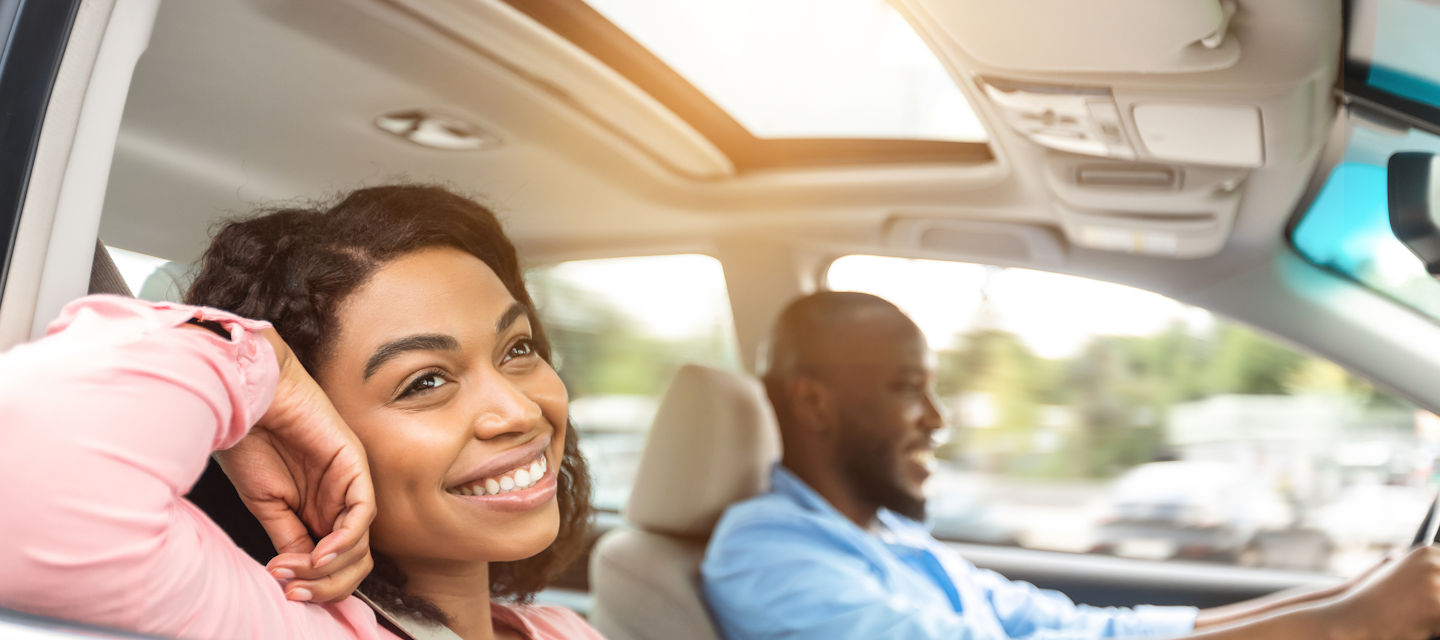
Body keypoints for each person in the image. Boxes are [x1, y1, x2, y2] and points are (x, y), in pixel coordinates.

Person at [0, 185, 604, 640]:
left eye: (517, 349)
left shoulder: (562, 631)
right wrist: (254, 360)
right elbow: (25, 495)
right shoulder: (288, 627)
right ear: (310, 437)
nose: (519, 410)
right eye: (424, 381)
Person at [701, 290, 1440, 640]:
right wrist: (1346, 626)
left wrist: (1341, 600)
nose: (938, 418)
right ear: (815, 404)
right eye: (906, 389)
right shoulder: (762, 550)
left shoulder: (893, 540)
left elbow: (1069, 627)